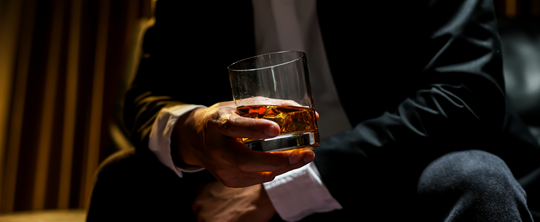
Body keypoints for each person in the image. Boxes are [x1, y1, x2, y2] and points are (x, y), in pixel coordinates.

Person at [86, 0, 540, 221]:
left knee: (474, 176)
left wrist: (286, 190)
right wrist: (192, 129)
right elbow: (144, 95)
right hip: (239, 182)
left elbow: (466, 95)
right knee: (123, 180)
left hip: (399, 173)